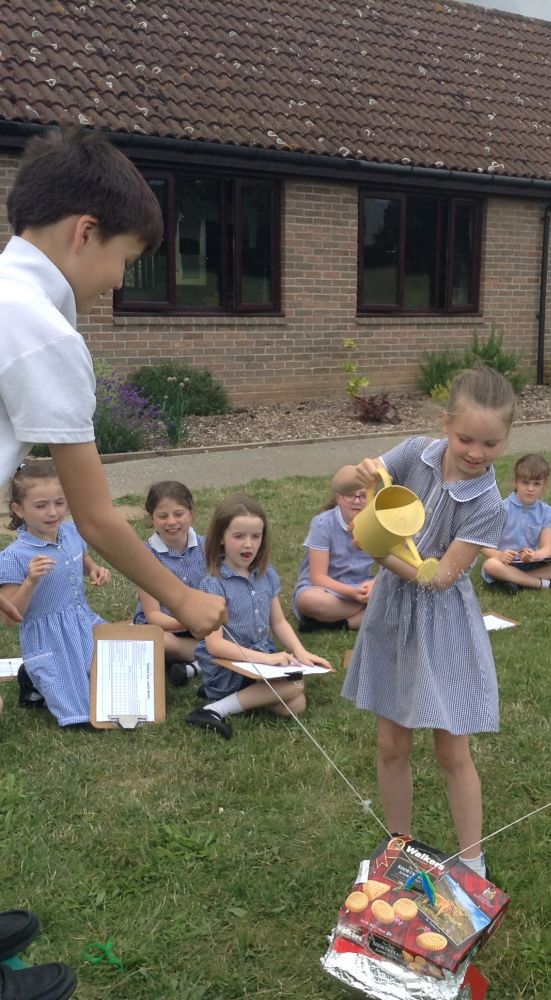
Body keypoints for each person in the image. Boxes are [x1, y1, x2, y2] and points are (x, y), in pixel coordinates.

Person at [0, 125, 225, 638]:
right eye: (125, 259)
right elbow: (95, 517)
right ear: (85, 233)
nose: (120, 281)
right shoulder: (43, 331)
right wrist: (183, 597)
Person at [331, 365, 515, 879]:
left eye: (491, 443)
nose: (476, 452)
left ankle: (473, 863)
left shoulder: (488, 504)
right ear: (445, 424)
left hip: (443, 624)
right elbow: (341, 483)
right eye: (466, 439)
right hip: (393, 615)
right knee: (391, 744)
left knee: (451, 749)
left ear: (506, 438)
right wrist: (359, 475)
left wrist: (377, 550)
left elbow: (439, 577)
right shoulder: (415, 453)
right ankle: (398, 849)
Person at [185, 494, 332, 740]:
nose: (248, 544)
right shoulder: (214, 584)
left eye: (256, 536)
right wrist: (268, 658)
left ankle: (238, 700)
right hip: (230, 668)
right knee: (294, 686)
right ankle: (213, 710)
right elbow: (215, 645)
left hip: (262, 666)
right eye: (238, 536)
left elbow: (279, 622)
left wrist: (300, 652)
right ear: (221, 538)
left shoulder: (266, 574)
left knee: (296, 703)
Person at [0, 460, 110, 728]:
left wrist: (94, 569)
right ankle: (37, 675)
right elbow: (9, 618)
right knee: (83, 714)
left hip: (83, 623)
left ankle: (31, 679)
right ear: (19, 509)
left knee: (112, 681)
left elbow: (82, 557)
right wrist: (31, 581)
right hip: (48, 637)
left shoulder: (71, 532)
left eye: (59, 503)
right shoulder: (14, 557)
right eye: (41, 506)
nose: (52, 512)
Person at [132, 481, 206, 687]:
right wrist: (191, 623)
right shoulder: (145, 557)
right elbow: (154, 615)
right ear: (152, 519)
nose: (171, 522)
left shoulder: (206, 547)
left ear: (191, 513)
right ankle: (206, 657)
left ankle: (193, 664)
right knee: (157, 641)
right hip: (165, 628)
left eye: (179, 514)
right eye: (163, 516)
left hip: (203, 627)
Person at [480, 452, 551, 594]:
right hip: (505, 563)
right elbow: (481, 544)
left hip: (532, 565)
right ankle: (544, 583)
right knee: (491, 565)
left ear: (544, 485)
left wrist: (535, 555)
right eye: (525, 482)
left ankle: (516, 580)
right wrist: (499, 555)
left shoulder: (545, 511)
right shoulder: (501, 509)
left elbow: (547, 549)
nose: (530, 489)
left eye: (536, 484)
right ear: (516, 481)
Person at [291, 486, 375, 631]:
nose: (357, 501)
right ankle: (367, 608)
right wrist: (353, 594)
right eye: (350, 495)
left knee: (401, 596)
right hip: (326, 589)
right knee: (309, 600)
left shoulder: (378, 523)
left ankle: (339, 624)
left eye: (363, 496)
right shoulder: (323, 523)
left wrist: (374, 584)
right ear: (338, 498)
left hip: (361, 585)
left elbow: (389, 568)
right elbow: (318, 578)